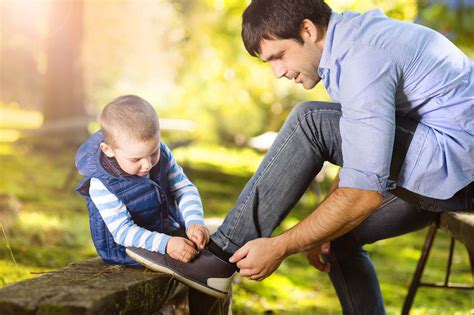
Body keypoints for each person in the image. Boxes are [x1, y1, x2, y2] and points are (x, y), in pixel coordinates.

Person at [126, 0, 473, 312]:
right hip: (447, 169)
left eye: (279, 56)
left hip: (460, 169)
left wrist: (280, 246)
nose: (278, 72)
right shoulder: (348, 47)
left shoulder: (363, 57)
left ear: (308, 30)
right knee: (337, 240)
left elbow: (363, 194)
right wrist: (323, 230)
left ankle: (218, 260)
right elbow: (364, 154)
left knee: (310, 122)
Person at [75, 95, 210, 266]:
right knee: (194, 268)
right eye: (135, 159)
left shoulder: (162, 155)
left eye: (153, 152)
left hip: (167, 234)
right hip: (127, 250)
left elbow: (184, 188)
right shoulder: (102, 184)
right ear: (108, 150)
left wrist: (194, 221)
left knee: (210, 255)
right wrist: (166, 244)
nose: (147, 164)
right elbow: (123, 232)